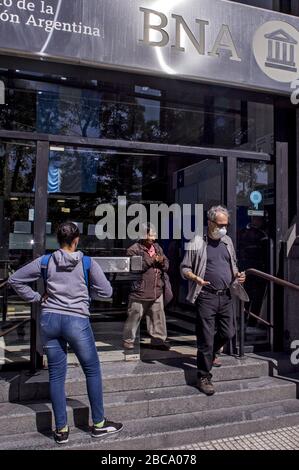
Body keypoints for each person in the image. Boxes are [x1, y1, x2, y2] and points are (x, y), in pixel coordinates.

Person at [8, 222, 123, 444]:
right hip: (77, 321)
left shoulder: (45, 261)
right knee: (92, 370)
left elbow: (15, 280)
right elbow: (107, 291)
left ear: (58, 240)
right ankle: (98, 424)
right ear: (77, 239)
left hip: (50, 320)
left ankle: (61, 430)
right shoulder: (88, 263)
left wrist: (36, 298)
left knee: (56, 376)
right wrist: (88, 293)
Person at [180, 205, 248, 396]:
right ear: (210, 223)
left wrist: (239, 276)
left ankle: (209, 356)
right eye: (220, 224)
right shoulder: (196, 241)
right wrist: (195, 278)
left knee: (228, 333)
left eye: (226, 224)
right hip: (206, 295)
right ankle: (203, 376)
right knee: (206, 339)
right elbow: (184, 268)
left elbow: (232, 265)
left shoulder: (227, 241)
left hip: (226, 295)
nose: (223, 228)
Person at [123, 223, 171, 351]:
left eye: (154, 235)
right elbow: (135, 268)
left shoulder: (157, 247)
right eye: (150, 235)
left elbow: (166, 264)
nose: (153, 238)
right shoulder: (134, 249)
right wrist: (152, 260)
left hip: (156, 288)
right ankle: (129, 339)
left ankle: (158, 340)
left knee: (157, 316)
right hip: (140, 289)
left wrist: (161, 261)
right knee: (134, 314)